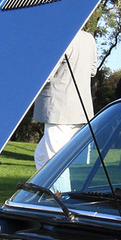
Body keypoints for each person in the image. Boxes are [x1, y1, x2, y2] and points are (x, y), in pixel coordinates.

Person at [33, 29, 97, 168]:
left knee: (54, 161)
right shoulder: (88, 38)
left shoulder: (61, 35)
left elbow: (46, 74)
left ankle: (61, 191)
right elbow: (93, 70)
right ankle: (44, 190)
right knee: (41, 155)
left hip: (58, 107)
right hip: (80, 107)